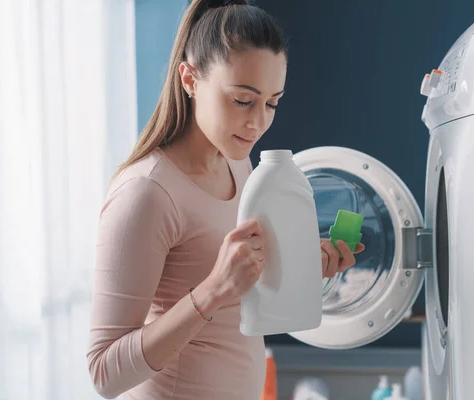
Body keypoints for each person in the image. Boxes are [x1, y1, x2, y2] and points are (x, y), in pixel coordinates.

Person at [86, 1, 365, 399]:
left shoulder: (238, 164)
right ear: (189, 79)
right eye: (241, 100)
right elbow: (104, 373)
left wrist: (302, 269)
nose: (258, 123)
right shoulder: (145, 194)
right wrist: (214, 288)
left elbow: (238, 298)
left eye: (272, 102)